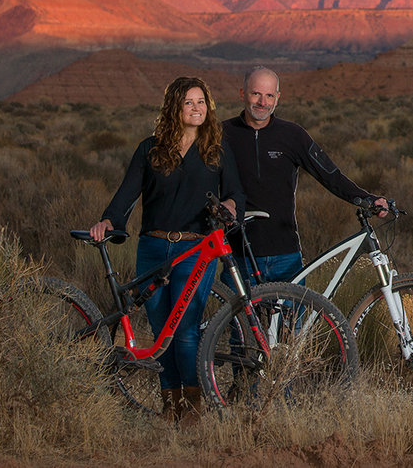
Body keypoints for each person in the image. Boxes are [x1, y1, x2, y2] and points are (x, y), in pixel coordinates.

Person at [88, 76, 245, 423]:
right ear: (175, 107)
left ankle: (192, 407)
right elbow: (127, 194)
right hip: (153, 249)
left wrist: (231, 206)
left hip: (195, 250)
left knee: (186, 330)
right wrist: (108, 220)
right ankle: (170, 405)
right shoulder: (150, 149)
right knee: (161, 333)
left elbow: (235, 192)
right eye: (189, 102)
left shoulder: (216, 150)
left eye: (201, 102)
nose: (196, 109)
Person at [221, 67, 387, 286]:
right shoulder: (222, 134)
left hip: (285, 253)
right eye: (256, 94)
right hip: (239, 253)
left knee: (292, 311)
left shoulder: (292, 135)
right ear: (243, 94)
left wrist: (367, 199)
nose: (262, 102)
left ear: (277, 98)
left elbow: (330, 175)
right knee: (235, 311)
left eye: (269, 95)